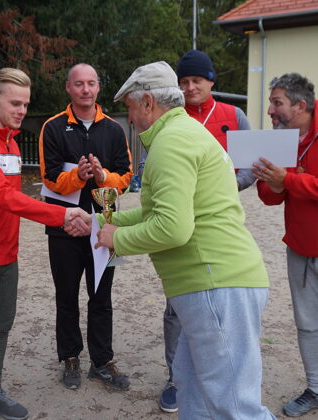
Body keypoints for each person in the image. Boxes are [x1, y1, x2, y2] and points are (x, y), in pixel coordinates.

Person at [96, 61, 276, 420]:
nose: (129, 119)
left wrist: (119, 238)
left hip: (214, 282)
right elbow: (157, 211)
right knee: (194, 393)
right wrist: (99, 221)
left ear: (148, 102)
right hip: (216, 282)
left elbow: (173, 227)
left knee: (235, 406)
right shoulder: (184, 133)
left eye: (130, 108)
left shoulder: (172, 142)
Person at [0, 68, 91, 420]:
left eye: (25, 104)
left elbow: (12, 200)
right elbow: (2, 197)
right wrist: (61, 214)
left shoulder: (10, 142)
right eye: (15, 103)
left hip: (6, 256)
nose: (22, 110)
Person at [138, 49, 256, 413]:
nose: (190, 88)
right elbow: (152, 172)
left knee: (218, 313)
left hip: (216, 222)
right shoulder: (170, 117)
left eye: (197, 81)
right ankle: (176, 378)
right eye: (184, 82)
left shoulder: (233, 116)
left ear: (211, 81)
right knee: (177, 307)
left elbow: (251, 165)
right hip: (178, 227)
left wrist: (221, 185)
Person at [39, 63, 133, 391]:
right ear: (68, 88)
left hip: (104, 226)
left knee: (101, 296)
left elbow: (126, 177)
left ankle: (102, 361)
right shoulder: (52, 127)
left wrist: (103, 176)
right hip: (63, 228)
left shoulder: (114, 129)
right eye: (79, 84)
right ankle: (70, 357)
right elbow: (49, 177)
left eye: (91, 83)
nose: (86, 90)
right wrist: (77, 176)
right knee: (66, 296)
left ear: (98, 87)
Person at [252, 73, 318, 417]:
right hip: (300, 247)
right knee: (307, 323)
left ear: (300, 105)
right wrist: (275, 184)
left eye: (277, 103)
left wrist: (288, 180)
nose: (270, 111)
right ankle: (315, 389)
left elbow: (293, 183)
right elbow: (268, 196)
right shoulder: (280, 137)